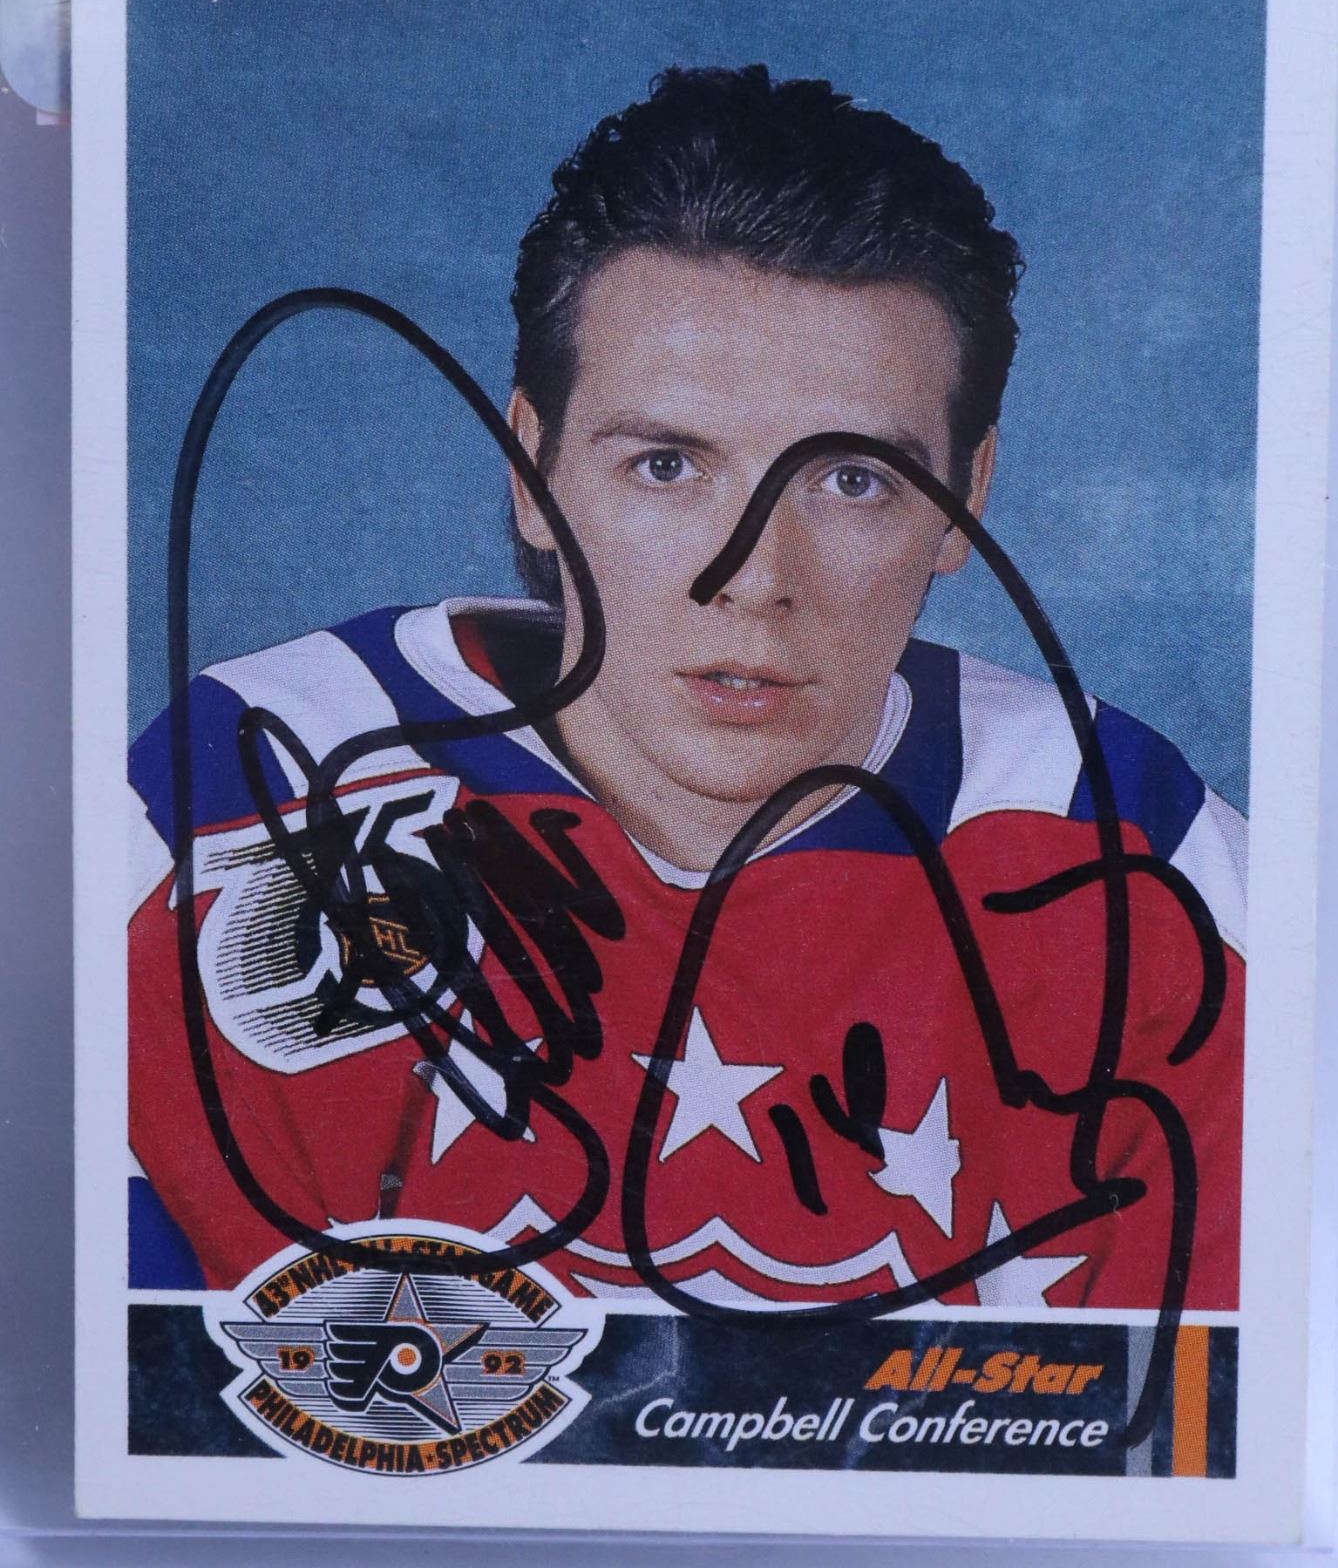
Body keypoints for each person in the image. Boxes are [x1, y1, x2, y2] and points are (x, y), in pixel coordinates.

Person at [128, 65, 1244, 1311]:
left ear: (964, 499)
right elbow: (136, 1396)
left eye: (855, 481)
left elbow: (1234, 1413)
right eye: (667, 465)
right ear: (531, 470)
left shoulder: (1130, 857)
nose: (751, 579)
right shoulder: (237, 795)